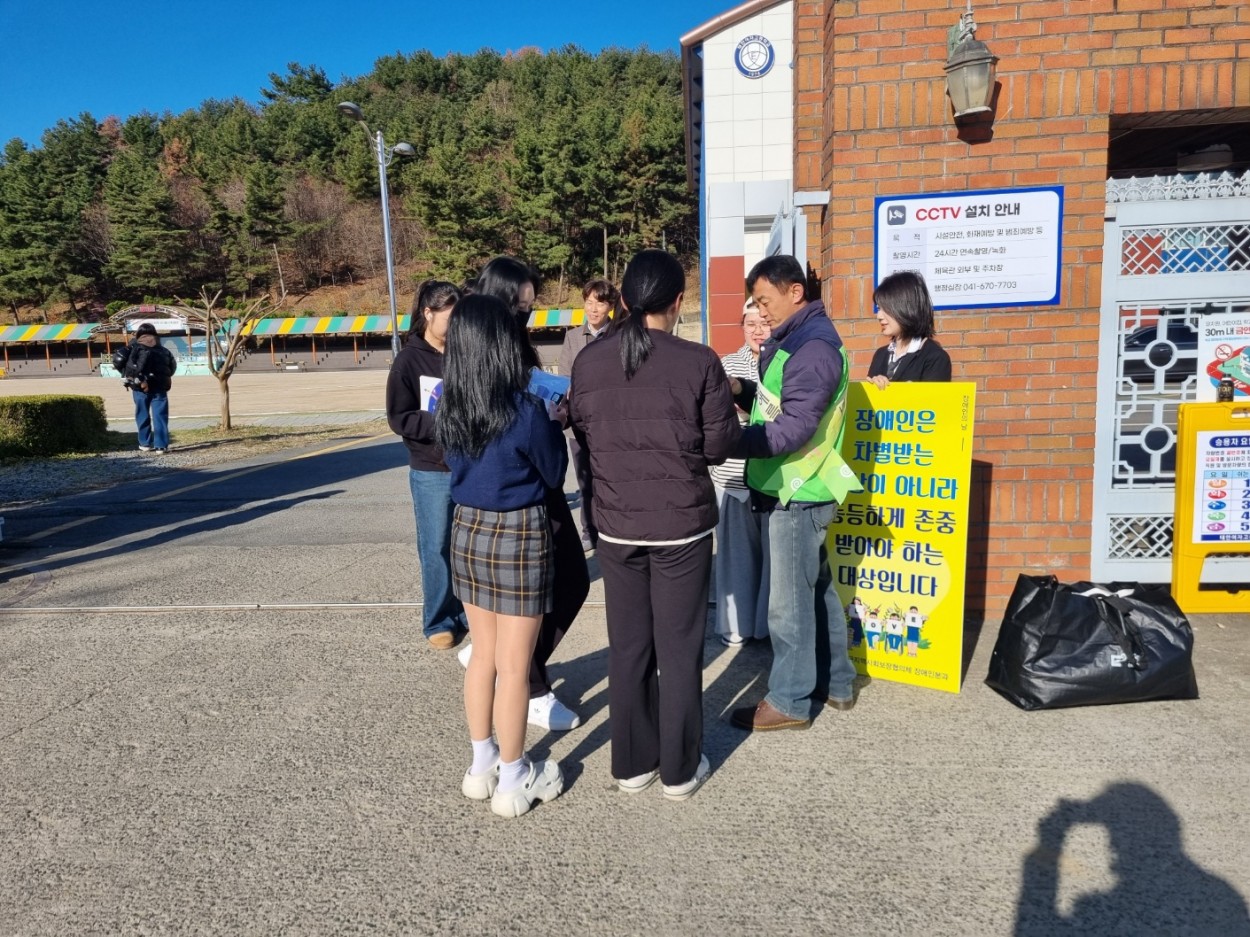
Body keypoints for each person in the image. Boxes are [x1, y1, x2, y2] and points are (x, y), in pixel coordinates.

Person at [569, 249, 740, 800]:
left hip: (617, 524)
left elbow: (584, 435)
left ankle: (632, 764)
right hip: (681, 527)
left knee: (628, 646)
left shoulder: (589, 361)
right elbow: (719, 447)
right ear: (679, 301)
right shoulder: (700, 361)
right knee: (679, 646)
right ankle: (679, 770)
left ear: (621, 299)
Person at [436, 294, 568, 819]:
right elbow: (553, 474)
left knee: (483, 657)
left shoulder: (448, 406)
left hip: (466, 529)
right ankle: (514, 779)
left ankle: (481, 764)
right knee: (514, 668)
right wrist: (553, 423)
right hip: (519, 533)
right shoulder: (525, 410)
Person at [728, 254, 863, 733]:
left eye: (765, 301)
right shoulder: (798, 339)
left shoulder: (813, 348)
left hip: (798, 489)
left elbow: (794, 428)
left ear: (795, 292)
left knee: (788, 604)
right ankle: (837, 682)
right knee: (817, 590)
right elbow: (777, 404)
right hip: (802, 486)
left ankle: (789, 699)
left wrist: (728, 441)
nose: (760, 311)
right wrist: (740, 390)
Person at [459, 255, 589, 732]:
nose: (526, 316)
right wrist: (545, 422)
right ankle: (529, 687)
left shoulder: (499, 348)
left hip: (487, 503)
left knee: (562, 584)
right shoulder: (481, 353)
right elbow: (552, 467)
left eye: (530, 307)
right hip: (520, 494)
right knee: (554, 588)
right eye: (519, 307)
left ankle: (504, 677)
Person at [385, 280, 468, 650]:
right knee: (436, 547)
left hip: (470, 465)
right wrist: (442, 421)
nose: (455, 325)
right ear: (428, 313)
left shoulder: (465, 354)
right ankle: (438, 620)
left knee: (467, 547)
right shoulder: (408, 361)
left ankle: (468, 613)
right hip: (431, 469)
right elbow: (399, 417)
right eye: (450, 316)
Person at [709, 299, 772, 648]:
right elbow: (718, 414)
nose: (758, 331)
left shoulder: (783, 360)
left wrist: (747, 411)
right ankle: (736, 627)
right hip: (732, 476)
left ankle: (766, 628)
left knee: (772, 560)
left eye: (764, 323)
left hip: (772, 474)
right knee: (736, 559)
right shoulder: (727, 364)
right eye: (750, 324)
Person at [557, 278, 620, 553]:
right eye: (589, 302)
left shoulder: (620, 335)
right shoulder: (573, 337)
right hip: (579, 424)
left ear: (611, 306)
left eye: (600, 303)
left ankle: (612, 530)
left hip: (612, 424)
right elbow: (564, 377)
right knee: (585, 481)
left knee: (612, 478)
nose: (593, 309)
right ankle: (588, 530)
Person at [867, 270, 952, 387]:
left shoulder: (935, 358)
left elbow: (935, 398)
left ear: (907, 308)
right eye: (878, 308)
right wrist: (874, 386)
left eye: (885, 308)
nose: (879, 316)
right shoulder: (880, 355)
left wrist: (911, 392)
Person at [116, 322, 177, 454]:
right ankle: (161, 446)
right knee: (160, 416)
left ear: (139, 334)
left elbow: (120, 361)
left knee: (142, 414)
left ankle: (145, 443)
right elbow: (172, 368)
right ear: (155, 334)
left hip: (140, 387)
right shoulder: (164, 350)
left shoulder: (134, 348)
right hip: (160, 387)